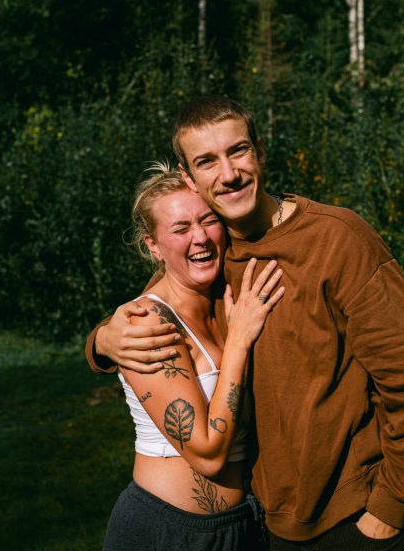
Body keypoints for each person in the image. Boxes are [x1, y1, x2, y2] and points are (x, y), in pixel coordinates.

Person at [87, 95, 404, 550]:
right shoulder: (212, 254)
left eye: (237, 151)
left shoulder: (337, 240)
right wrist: (102, 340)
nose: (228, 173)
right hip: (267, 528)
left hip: (355, 520)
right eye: (207, 161)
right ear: (189, 176)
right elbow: (160, 303)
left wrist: (389, 507)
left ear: (259, 151)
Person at [103, 163, 284, 550]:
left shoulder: (225, 302)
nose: (200, 238)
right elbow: (207, 455)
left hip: (243, 526)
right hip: (168, 532)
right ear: (152, 244)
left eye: (208, 221)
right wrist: (239, 342)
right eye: (181, 229)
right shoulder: (148, 322)